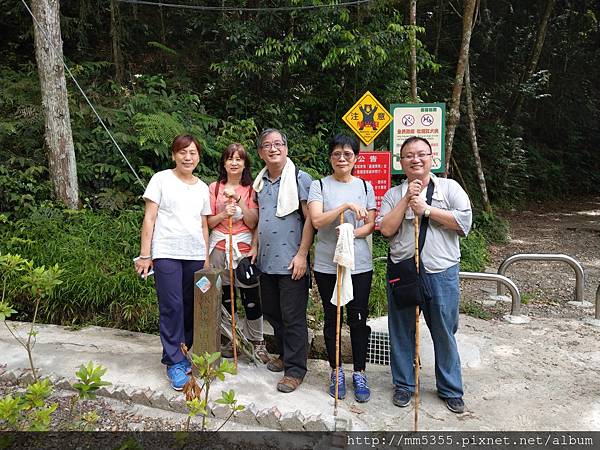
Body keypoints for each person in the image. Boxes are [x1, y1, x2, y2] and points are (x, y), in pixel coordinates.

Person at [378, 136, 472, 414]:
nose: (415, 159)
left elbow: (464, 222)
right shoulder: (393, 195)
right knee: (401, 331)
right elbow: (386, 229)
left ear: (432, 158)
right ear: (401, 162)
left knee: (444, 331)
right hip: (404, 271)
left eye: (421, 154)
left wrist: (427, 210)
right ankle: (404, 386)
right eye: (408, 155)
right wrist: (407, 200)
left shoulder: (450, 188)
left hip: (441, 272)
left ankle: (450, 389)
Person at [135, 134, 212, 391]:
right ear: (173, 155)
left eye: (192, 153)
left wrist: (206, 258)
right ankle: (174, 361)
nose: (187, 157)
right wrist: (145, 255)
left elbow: (203, 224)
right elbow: (149, 218)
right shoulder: (161, 179)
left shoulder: (203, 187)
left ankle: (186, 351)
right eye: (182, 152)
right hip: (166, 252)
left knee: (191, 305)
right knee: (172, 305)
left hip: (195, 254)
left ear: (198, 156)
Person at [307, 134, 376, 403]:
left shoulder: (366, 186)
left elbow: (371, 224)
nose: (342, 158)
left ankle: (359, 371)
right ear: (330, 158)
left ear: (356, 158)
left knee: (358, 318)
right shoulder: (319, 186)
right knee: (331, 315)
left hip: (359, 263)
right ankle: (335, 370)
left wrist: (351, 232)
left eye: (348, 154)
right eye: (337, 154)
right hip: (327, 263)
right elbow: (316, 220)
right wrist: (345, 207)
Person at [251, 128, 314, 393]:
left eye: (278, 144)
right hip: (266, 263)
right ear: (260, 152)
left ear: (286, 148)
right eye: (267, 145)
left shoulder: (300, 178)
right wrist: (254, 246)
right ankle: (286, 355)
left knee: (293, 317)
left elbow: (311, 219)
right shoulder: (260, 183)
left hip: (292, 262)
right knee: (274, 315)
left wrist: (302, 255)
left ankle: (295, 370)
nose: (273, 148)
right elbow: (261, 220)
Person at [207, 143, 269, 364]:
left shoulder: (253, 189)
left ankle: (257, 340)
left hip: (243, 249)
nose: (234, 163)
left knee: (252, 297)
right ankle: (229, 338)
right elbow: (208, 222)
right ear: (224, 162)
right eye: (230, 158)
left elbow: (254, 223)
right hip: (219, 248)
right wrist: (224, 213)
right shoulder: (214, 188)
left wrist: (240, 201)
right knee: (224, 296)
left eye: (239, 159)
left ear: (245, 163)